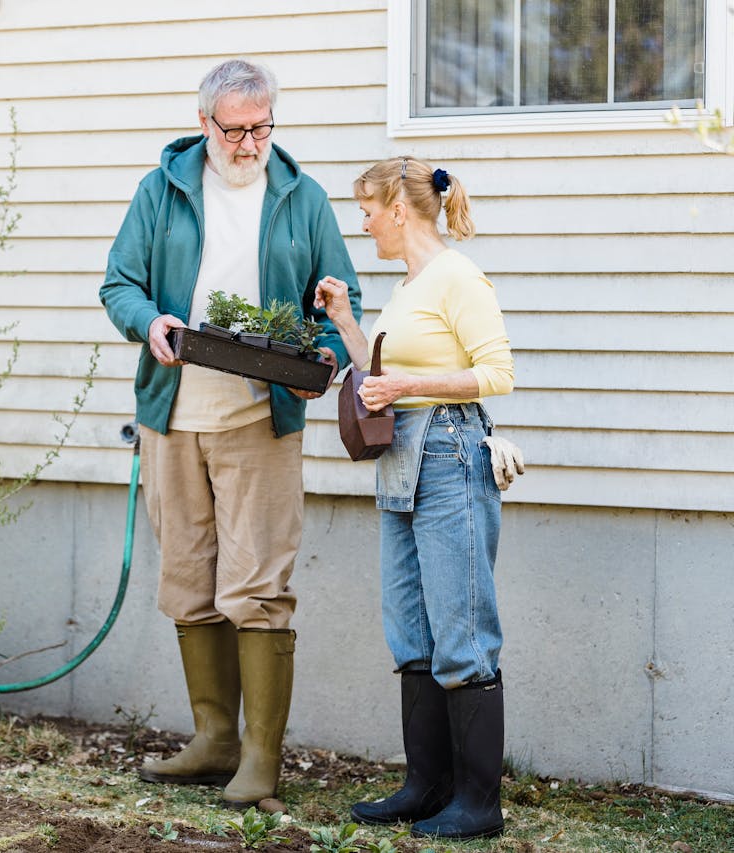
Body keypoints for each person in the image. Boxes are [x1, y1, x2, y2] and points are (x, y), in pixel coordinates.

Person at [99, 58, 362, 808]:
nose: (250, 144)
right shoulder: (164, 190)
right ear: (205, 124)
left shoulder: (300, 197)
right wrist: (149, 322)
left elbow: (342, 300)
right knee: (188, 579)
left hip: (260, 415)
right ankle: (213, 738)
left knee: (257, 585)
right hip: (174, 415)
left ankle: (259, 758)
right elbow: (119, 282)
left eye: (262, 127)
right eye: (236, 130)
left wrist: (325, 357)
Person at [314, 156, 524, 840]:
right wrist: (348, 320)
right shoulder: (408, 287)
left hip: (449, 454)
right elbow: (379, 374)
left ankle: (478, 803)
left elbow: (497, 372)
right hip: (402, 461)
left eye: (368, 211)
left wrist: (404, 387)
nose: (365, 224)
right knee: (411, 630)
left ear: (398, 211)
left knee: (461, 629)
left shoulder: (458, 276)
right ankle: (426, 785)